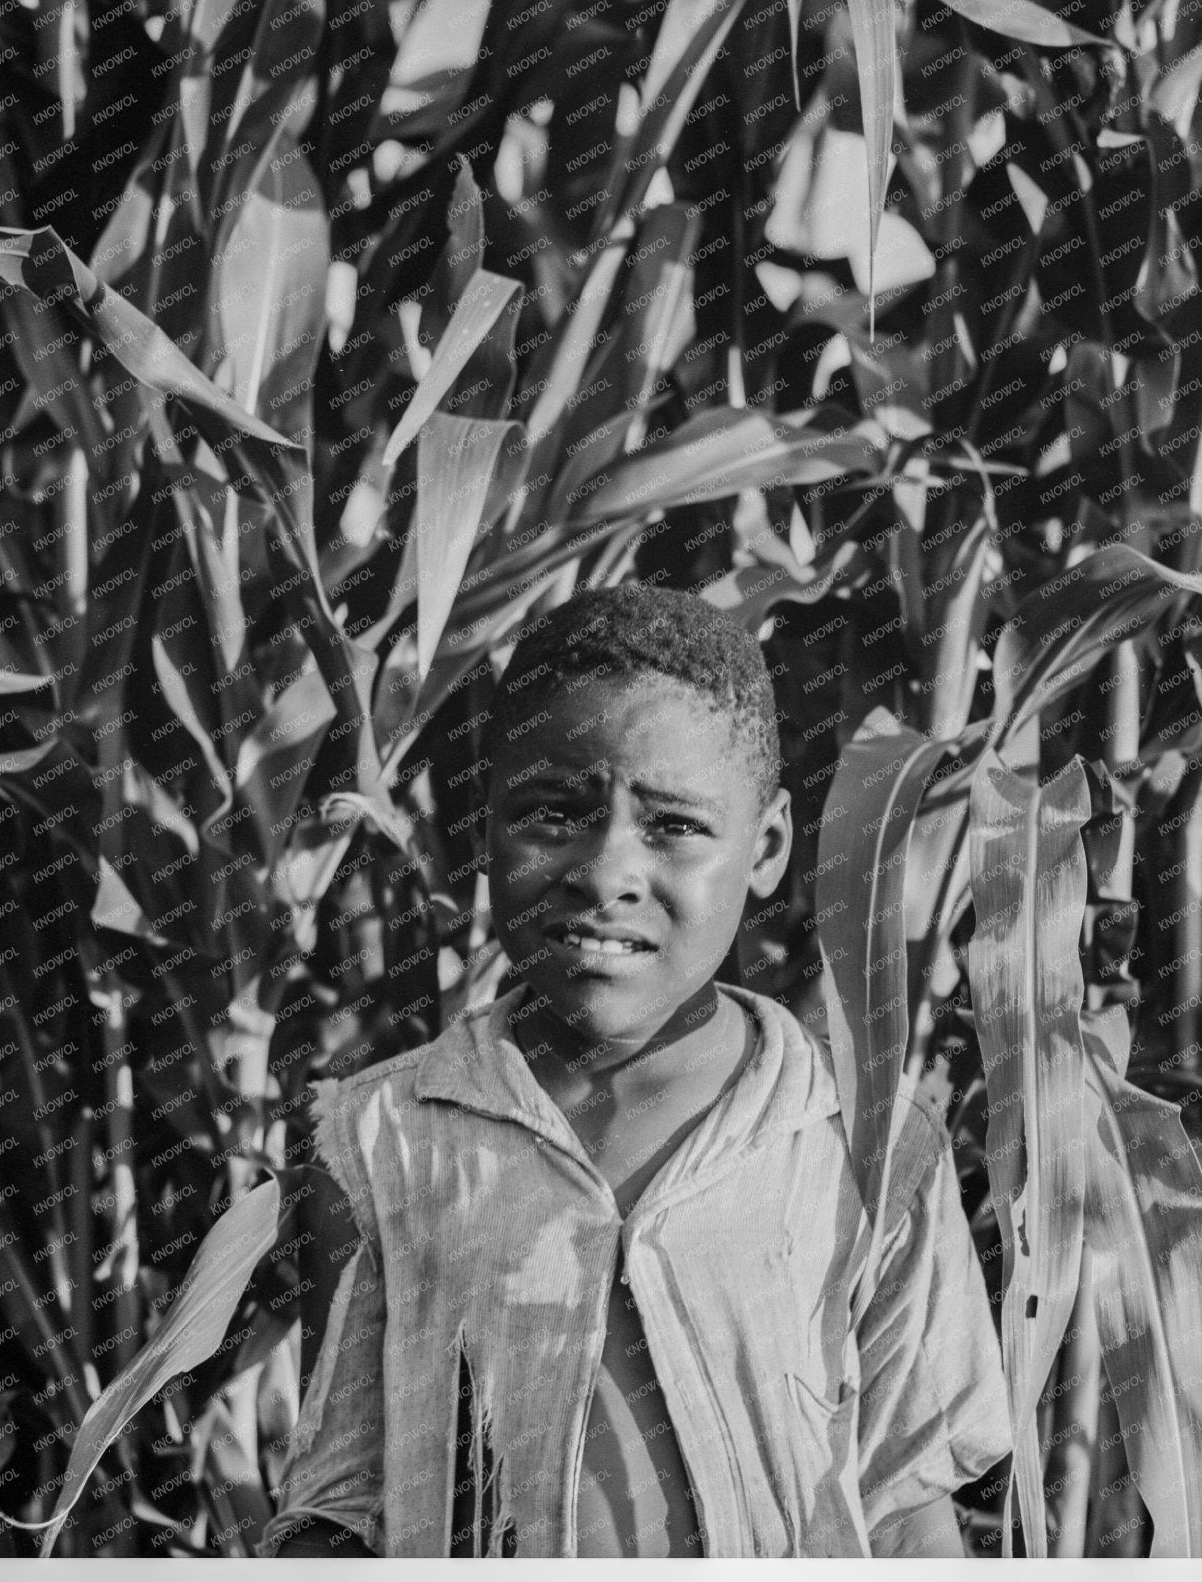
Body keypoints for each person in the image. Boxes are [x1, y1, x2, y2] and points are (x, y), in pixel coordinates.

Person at [261, 583, 1008, 1558]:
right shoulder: (377, 1140)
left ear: (767, 845)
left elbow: (906, 1510)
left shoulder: (867, 1144)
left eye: (673, 827)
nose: (606, 869)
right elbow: (346, 1505)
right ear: (480, 828)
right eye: (551, 811)